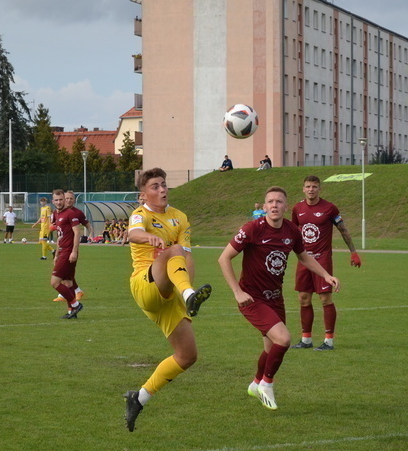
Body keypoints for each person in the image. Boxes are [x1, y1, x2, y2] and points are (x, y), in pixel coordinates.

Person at [218, 186, 340, 410]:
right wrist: (237, 292)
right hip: (251, 298)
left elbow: (304, 257)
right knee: (283, 339)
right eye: (270, 202)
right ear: (264, 207)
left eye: (279, 202)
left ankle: (256, 383)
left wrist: (326, 275)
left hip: (275, 298)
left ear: (286, 207)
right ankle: (267, 384)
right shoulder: (252, 228)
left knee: (270, 348)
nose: (274, 205)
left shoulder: (292, 230)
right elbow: (224, 258)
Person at [123, 168, 212, 432]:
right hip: (144, 284)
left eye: (164, 185)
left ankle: (139, 398)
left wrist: (187, 289)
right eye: (155, 186)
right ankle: (188, 295)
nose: (162, 190)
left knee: (187, 355)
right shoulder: (140, 214)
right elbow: (133, 233)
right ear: (143, 194)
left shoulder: (180, 217)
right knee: (173, 250)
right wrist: (148, 236)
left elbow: (187, 256)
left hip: (170, 293)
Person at [290, 175, 360, 351]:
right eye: (308, 186)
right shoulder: (297, 208)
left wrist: (353, 252)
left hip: (322, 259)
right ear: (303, 189)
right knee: (303, 299)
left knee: (325, 299)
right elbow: (291, 233)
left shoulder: (329, 208)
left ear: (319, 189)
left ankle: (328, 341)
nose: (311, 189)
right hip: (304, 259)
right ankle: (306, 340)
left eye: (314, 186)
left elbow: (343, 230)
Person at [49, 190, 85, 318]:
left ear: (64, 200)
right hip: (62, 252)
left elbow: (77, 232)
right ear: (53, 201)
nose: (59, 202)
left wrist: (74, 251)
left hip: (68, 252)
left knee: (54, 282)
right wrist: (57, 254)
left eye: (61, 200)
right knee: (68, 283)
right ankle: (71, 311)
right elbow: (60, 236)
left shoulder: (70, 213)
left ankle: (75, 305)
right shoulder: (56, 214)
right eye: (56, 200)